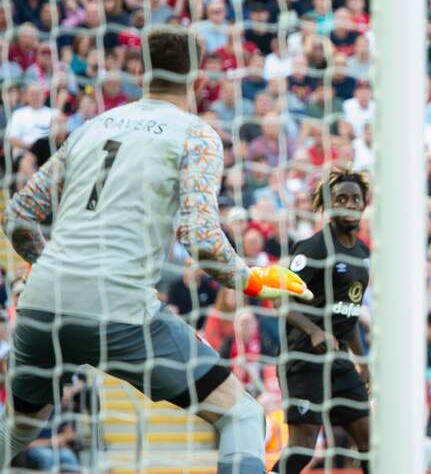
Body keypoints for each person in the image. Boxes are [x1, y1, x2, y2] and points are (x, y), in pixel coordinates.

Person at [2, 26, 308, 474]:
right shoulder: (194, 134)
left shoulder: (91, 127)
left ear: (142, 72)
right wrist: (254, 278)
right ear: (198, 78)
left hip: (41, 304)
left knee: (18, 429)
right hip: (118, 308)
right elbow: (200, 237)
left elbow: (17, 217)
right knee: (240, 414)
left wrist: (44, 263)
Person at [273, 168, 372, 474]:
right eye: (341, 198)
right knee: (303, 447)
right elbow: (282, 300)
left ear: (364, 203)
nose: (350, 203)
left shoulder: (362, 252)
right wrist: (314, 332)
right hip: (304, 357)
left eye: (356, 198)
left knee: (372, 444)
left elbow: (349, 311)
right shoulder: (314, 248)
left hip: (339, 361)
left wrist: (362, 361)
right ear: (328, 206)